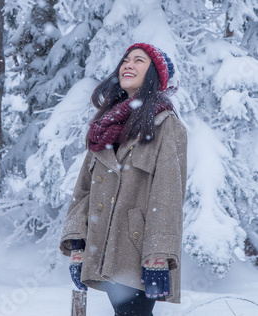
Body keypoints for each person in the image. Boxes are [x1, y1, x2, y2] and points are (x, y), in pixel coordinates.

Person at [60, 43, 187, 315]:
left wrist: (157, 257)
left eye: (139, 61)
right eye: (126, 60)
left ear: (154, 75)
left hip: (138, 253)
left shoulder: (166, 126)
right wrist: (78, 244)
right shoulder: (105, 126)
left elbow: (167, 196)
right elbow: (84, 190)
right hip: (105, 250)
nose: (128, 65)